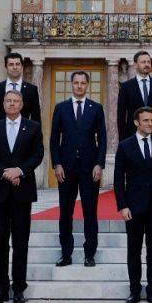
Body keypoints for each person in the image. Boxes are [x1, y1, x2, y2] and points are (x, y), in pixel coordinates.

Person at [0, 89, 44, 303]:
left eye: (15, 101)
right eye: (8, 100)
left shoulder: (33, 127)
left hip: (22, 192)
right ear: (3, 104)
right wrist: (6, 173)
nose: (11, 104)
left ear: (22, 104)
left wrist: (20, 171)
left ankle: (19, 288)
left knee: (20, 242)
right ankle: (1, 288)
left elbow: (38, 154)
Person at [115, 106, 152, 303]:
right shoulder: (125, 146)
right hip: (134, 206)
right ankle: (134, 290)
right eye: (146, 120)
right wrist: (122, 205)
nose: (150, 124)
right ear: (136, 122)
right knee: (134, 250)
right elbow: (118, 179)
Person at [49, 69, 106, 267]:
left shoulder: (96, 108)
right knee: (66, 212)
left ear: (87, 85)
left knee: (90, 212)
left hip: (90, 169)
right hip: (66, 168)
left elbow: (103, 139)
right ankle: (66, 253)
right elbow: (54, 139)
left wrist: (100, 164)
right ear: (71, 84)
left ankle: (90, 253)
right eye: (76, 83)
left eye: (83, 83)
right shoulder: (61, 108)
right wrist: (56, 164)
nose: (79, 86)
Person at [0, 51, 43, 134]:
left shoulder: (31, 90)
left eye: (18, 64)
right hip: (0, 136)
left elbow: (36, 118)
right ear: (6, 67)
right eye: (11, 64)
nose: (15, 67)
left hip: (24, 137)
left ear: (22, 67)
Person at [117, 50, 152, 140]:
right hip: (132, 136)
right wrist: (124, 138)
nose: (146, 64)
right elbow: (121, 115)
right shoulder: (126, 87)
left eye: (148, 62)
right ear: (135, 65)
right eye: (143, 62)